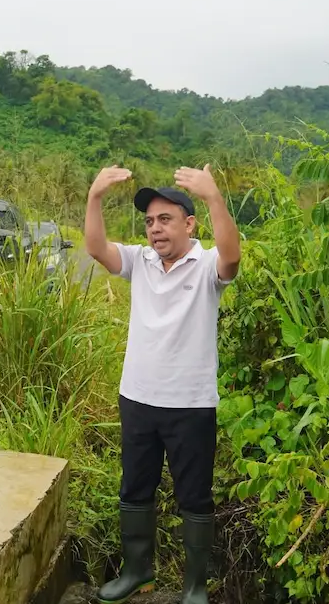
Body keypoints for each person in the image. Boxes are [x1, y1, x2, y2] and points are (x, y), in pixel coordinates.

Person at [84, 164, 241, 604]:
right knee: (135, 488)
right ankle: (137, 572)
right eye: (150, 221)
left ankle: (195, 586)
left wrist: (214, 197)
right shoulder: (140, 261)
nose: (155, 229)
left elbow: (232, 257)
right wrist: (95, 196)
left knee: (194, 495)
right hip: (137, 397)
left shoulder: (206, 265)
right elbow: (96, 247)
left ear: (189, 224)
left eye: (165, 219)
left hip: (190, 403)